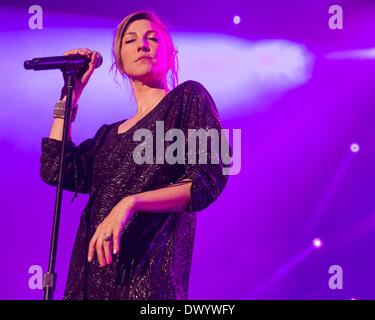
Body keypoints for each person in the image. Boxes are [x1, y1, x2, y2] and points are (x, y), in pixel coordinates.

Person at [40, 10, 229, 300]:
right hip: (88, 282)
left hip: (146, 283)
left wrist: (131, 203)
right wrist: (70, 97)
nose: (142, 45)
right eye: (131, 41)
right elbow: (55, 167)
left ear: (170, 53)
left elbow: (207, 180)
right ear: (119, 61)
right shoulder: (107, 136)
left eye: (152, 38)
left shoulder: (187, 99)